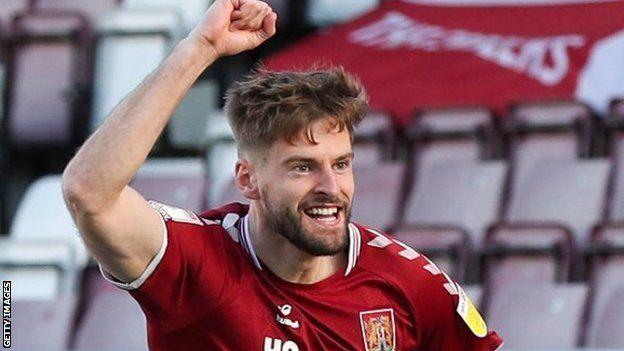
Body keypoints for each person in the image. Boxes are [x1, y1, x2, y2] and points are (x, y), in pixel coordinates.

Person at [62, 0, 503, 350]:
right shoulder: (195, 263)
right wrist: (200, 49)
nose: (331, 188)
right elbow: (89, 193)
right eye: (303, 167)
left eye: (341, 164)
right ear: (247, 179)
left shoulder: (407, 284)